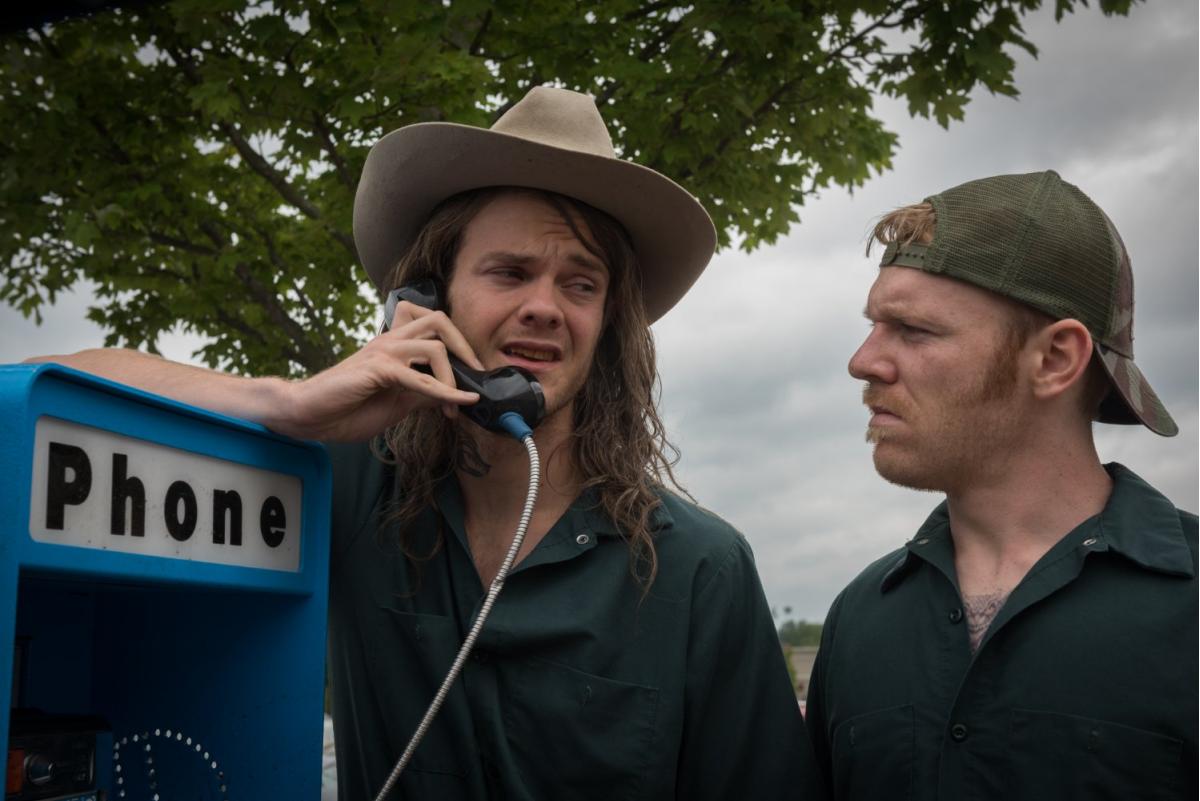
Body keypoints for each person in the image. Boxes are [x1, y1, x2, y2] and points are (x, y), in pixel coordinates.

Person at [30, 87, 821, 800]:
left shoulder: (696, 566)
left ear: (608, 325)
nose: (545, 306)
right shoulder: (337, 487)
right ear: (428, 299)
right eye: (509, 272)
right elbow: (45, 385)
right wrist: (289, 403)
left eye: (580, 283)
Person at [805, 170, 1197, 801]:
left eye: (913, 330)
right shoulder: (861, 617)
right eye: (874, 325)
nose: (863, 361)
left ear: (1055, 359)